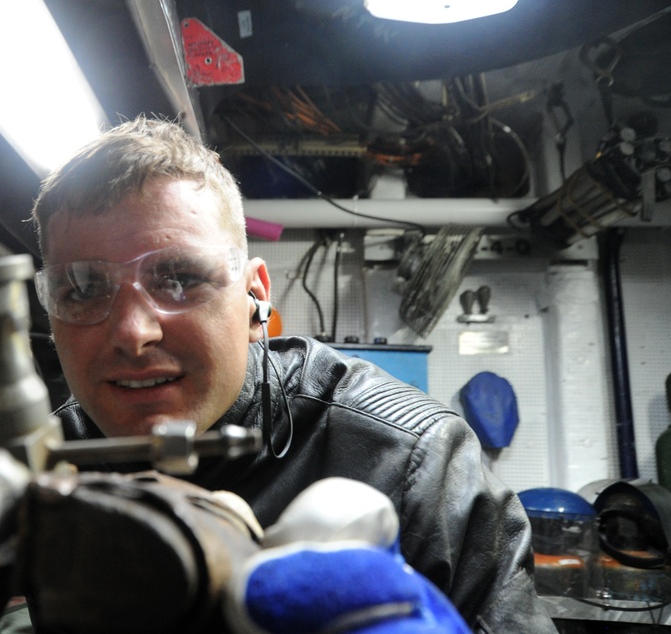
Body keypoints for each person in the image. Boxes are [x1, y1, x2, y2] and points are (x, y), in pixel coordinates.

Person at [28, 116, 557, 633]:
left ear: (255, 296)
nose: (133, 332)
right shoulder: (43, 470)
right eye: (83, 288)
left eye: (179, 278)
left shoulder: (414, 463)